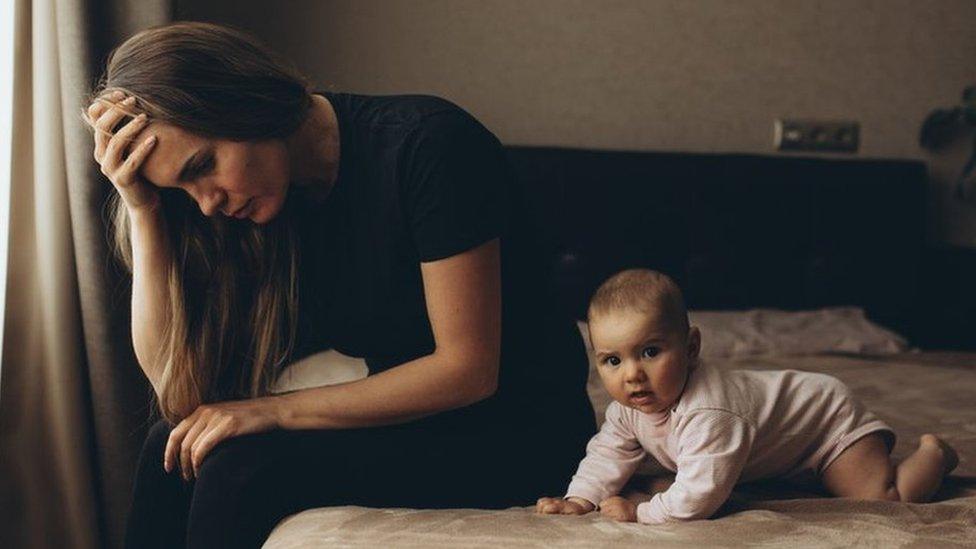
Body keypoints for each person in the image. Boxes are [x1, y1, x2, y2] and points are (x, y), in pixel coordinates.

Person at [84, 21, 595, 548]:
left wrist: (270, 412)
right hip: (412, 427)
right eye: (184, 189)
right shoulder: (258, 209)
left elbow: (468, 371)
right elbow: (179, 390)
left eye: (203, 166)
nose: (207, 201)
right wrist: (142, 209)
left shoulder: (428, 145)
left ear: (243, 100)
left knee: (237, 469)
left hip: (518, 435)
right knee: (170, 448)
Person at [536, 269, 959, 524]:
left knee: (880, 499)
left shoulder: (709, 412)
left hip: (824, 424)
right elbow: (607, 454)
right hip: (773, 438)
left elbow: (700, 498)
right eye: (612, 360)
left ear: (692, 348)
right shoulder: (628, 408)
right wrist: (580, 499)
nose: (632, 376)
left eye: (650, 352)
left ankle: (933, 454)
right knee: (656, 477)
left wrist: (641, 513)